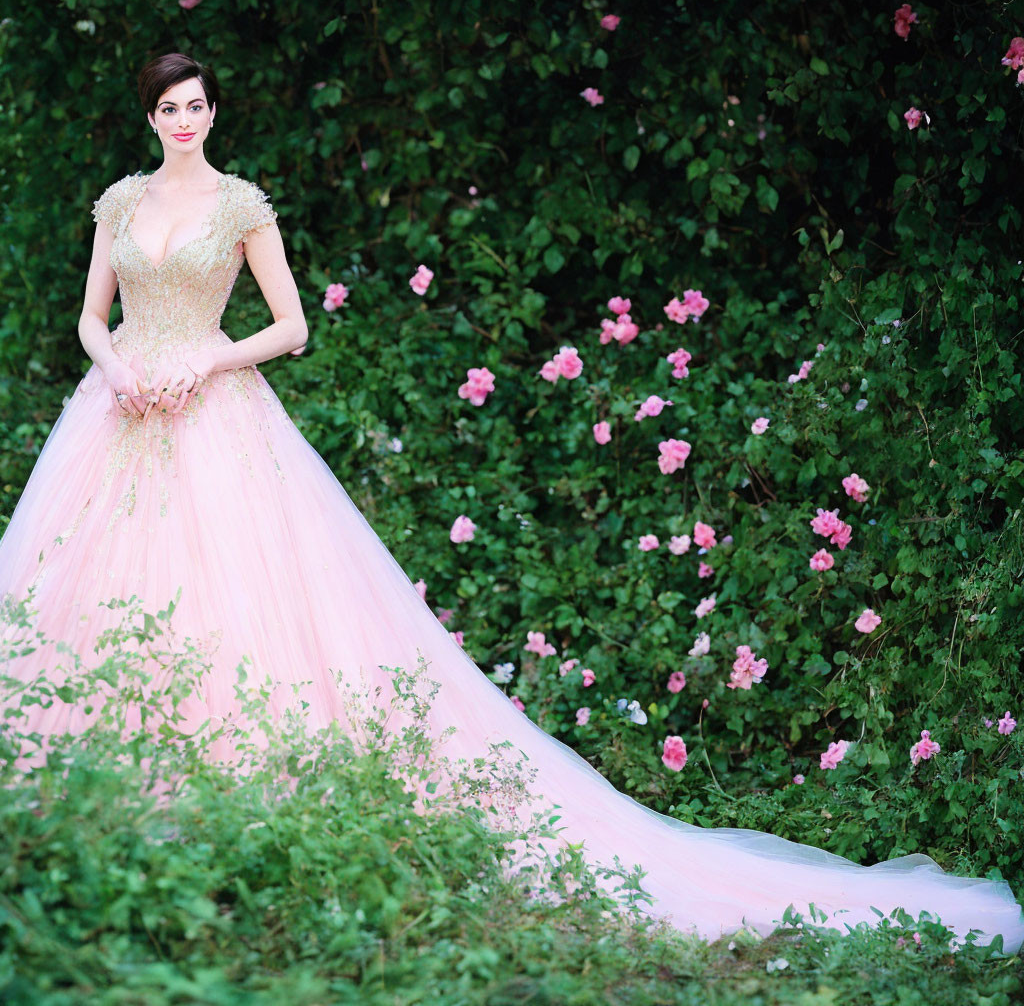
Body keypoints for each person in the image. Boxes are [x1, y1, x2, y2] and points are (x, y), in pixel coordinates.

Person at [1, 52, 1022, 955]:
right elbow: (90, 317)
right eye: (171, 108)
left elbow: (293, 325)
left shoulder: (240, 204)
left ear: (214, 114)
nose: (186, 120)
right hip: (120, 407)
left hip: (216, 410)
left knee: (240, 598)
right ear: (150, 118)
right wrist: (120, 366)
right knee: (90, 590)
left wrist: (209, 362)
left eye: (198, 106)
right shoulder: (120, 202)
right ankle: (104, 793)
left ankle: (241, 799)